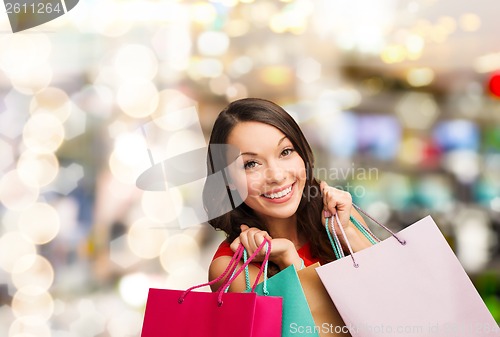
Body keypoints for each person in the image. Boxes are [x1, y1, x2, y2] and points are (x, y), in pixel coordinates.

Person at [203, 98, 372, 292]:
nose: (276, 175)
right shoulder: (233, 269)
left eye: (285, 152)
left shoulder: (341, 220)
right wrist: (290, 261)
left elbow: (396, 289)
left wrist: (346, 233)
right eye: (250, 164)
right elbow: (317, 323)